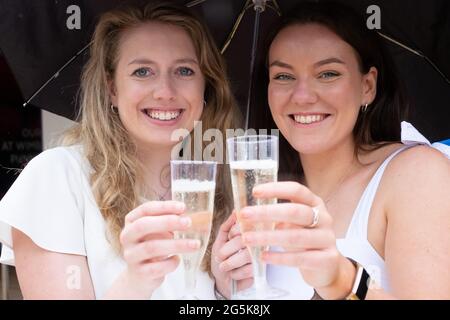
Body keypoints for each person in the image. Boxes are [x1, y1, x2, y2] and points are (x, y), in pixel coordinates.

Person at [0, 2, 240, 299]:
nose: (165, 90)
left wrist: (227, 292)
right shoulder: (57, 177)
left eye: (184, 70)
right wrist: (136, 281)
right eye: (142, 71)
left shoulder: (222, 191)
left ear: (205, 87)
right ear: (112, 89)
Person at [212, 2, 450, 299]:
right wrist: (225, 290)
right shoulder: (259, 196)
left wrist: (346, 281)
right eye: (284, 76)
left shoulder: (415, 174)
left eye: (327, 74)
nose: (302, 96)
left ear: (367, 85)